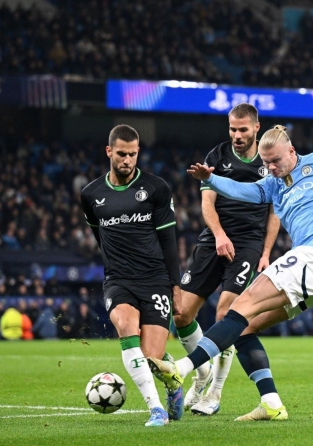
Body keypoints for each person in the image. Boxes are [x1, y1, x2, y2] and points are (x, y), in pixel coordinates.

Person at [150, 125, 313, 421]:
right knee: (246, 327)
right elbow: (244, 191)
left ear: (292, 151)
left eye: (275, 161)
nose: (270, 167)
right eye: (266, 163)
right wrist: (211, 179)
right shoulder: (273, 184)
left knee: (239, 307)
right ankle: (271, 402)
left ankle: (182, 369)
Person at [174, 103, 280, 415]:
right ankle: (202, 370)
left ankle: (215, 394)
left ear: (256, 128)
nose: (236, 135)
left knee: (226, 314)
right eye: (232, 129)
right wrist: (219, 235)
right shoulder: (217, 156)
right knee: (180, 314)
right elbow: (208, 203)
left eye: (242, 130)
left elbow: (275, 211)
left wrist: (265, 252)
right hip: (214, 240)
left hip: (248, 243)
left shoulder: (268, 159)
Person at [80, 124, 182, 426]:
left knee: (152, 360)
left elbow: (169, 240)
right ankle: (156, 411)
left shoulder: (157, 188)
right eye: (122, 154)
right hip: (119, 280)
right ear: (109, 151)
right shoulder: (91, 194)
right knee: (125, 325)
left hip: (155, 281)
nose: (127, 160)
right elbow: (100, 237)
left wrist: (174, 286)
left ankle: (173, 380)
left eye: (133, 154)